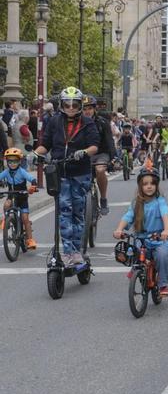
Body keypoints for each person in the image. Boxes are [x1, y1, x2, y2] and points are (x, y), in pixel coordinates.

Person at [34, 87, 99, 266]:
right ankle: (67, 251)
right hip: (60, 173)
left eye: (75, 104)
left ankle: (77, 251)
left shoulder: (87, 123)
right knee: (64, 212)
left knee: (78, 213)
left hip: (80, 173)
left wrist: (84, 152)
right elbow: (45, 144)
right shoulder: (54, 122)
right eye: (67, 104)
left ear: (80, 105)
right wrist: (34, 154)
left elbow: (94, 146)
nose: (71, 107)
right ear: (62, 105)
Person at [113, 166, 168, 295]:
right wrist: (119, 229)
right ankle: (136, 268)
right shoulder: (137, 203)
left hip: (159, 239)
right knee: (130, 251)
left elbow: (165, 215)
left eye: (152, 183)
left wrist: (167, 230)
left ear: (157, 185)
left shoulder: (160, 201)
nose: (149, 186)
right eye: (145, 184)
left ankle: (163, 285)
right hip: (141, 237)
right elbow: (128, 217)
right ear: (140, 186)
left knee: (162, 256)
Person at [82, 99, 115, 215]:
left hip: (102, 153)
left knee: (100, 170)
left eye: (90, 109)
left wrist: (113, 158)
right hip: (84, 154)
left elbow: (110, 141)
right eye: (84, 109)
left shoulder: (102, 122)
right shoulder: (77, 123)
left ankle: (103, 199)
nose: (87, 112)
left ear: (95, 109)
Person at [0, 148, 38, 249]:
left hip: (22, 197)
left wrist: (33, 185)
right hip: (11, 195)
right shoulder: (6, 172)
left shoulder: (22, 171)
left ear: (20, 161)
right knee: (6, 205)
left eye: (15, 161)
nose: (12, 164)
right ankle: (6, 219)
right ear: (7, 162)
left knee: (25, 219)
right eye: (10, 161)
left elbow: (31, 178)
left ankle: (30, 240)